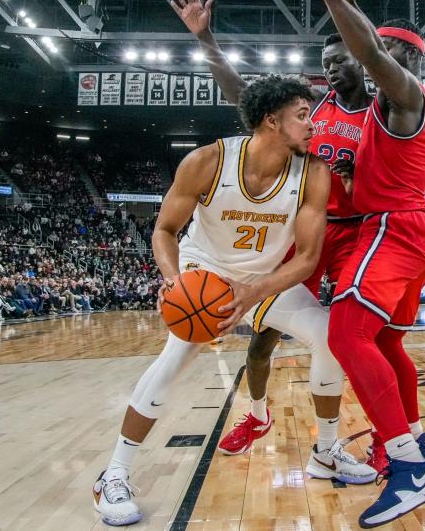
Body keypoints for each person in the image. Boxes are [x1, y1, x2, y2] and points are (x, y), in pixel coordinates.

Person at [92, 75, 375, 528]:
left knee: (329, 336)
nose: (313, 126)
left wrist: (254, 293)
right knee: (175, 359)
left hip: (264, 280)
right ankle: (114, 474)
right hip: (204, 275)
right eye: (303, 116)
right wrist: (172, 281)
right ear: (270, 121)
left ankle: (326, 451)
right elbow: (164, 230)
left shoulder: (314, 173)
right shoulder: (208, 161)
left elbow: (305, 259)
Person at [169, 0, 377, 459]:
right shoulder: (312, 110)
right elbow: (244, 95)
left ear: (363, 58)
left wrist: (357, 176)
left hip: (355, 232)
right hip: (300, 232)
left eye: (339, 59)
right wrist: (206, 40)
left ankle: (370, 434)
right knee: (263, 339)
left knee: (351, 334)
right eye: (325, 62)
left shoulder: (382, 113)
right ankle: (259, 415)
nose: (328, 68)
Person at [289, 0, 425, 528]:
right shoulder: (376, 102)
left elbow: (370, 56)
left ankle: (414, 467)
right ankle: (411, 439)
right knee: (386, 345)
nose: (368, 62)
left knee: (345, 333)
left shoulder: (405, 93)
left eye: (380, 55)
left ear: (394, 59)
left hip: (393, 228)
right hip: (405, 229)